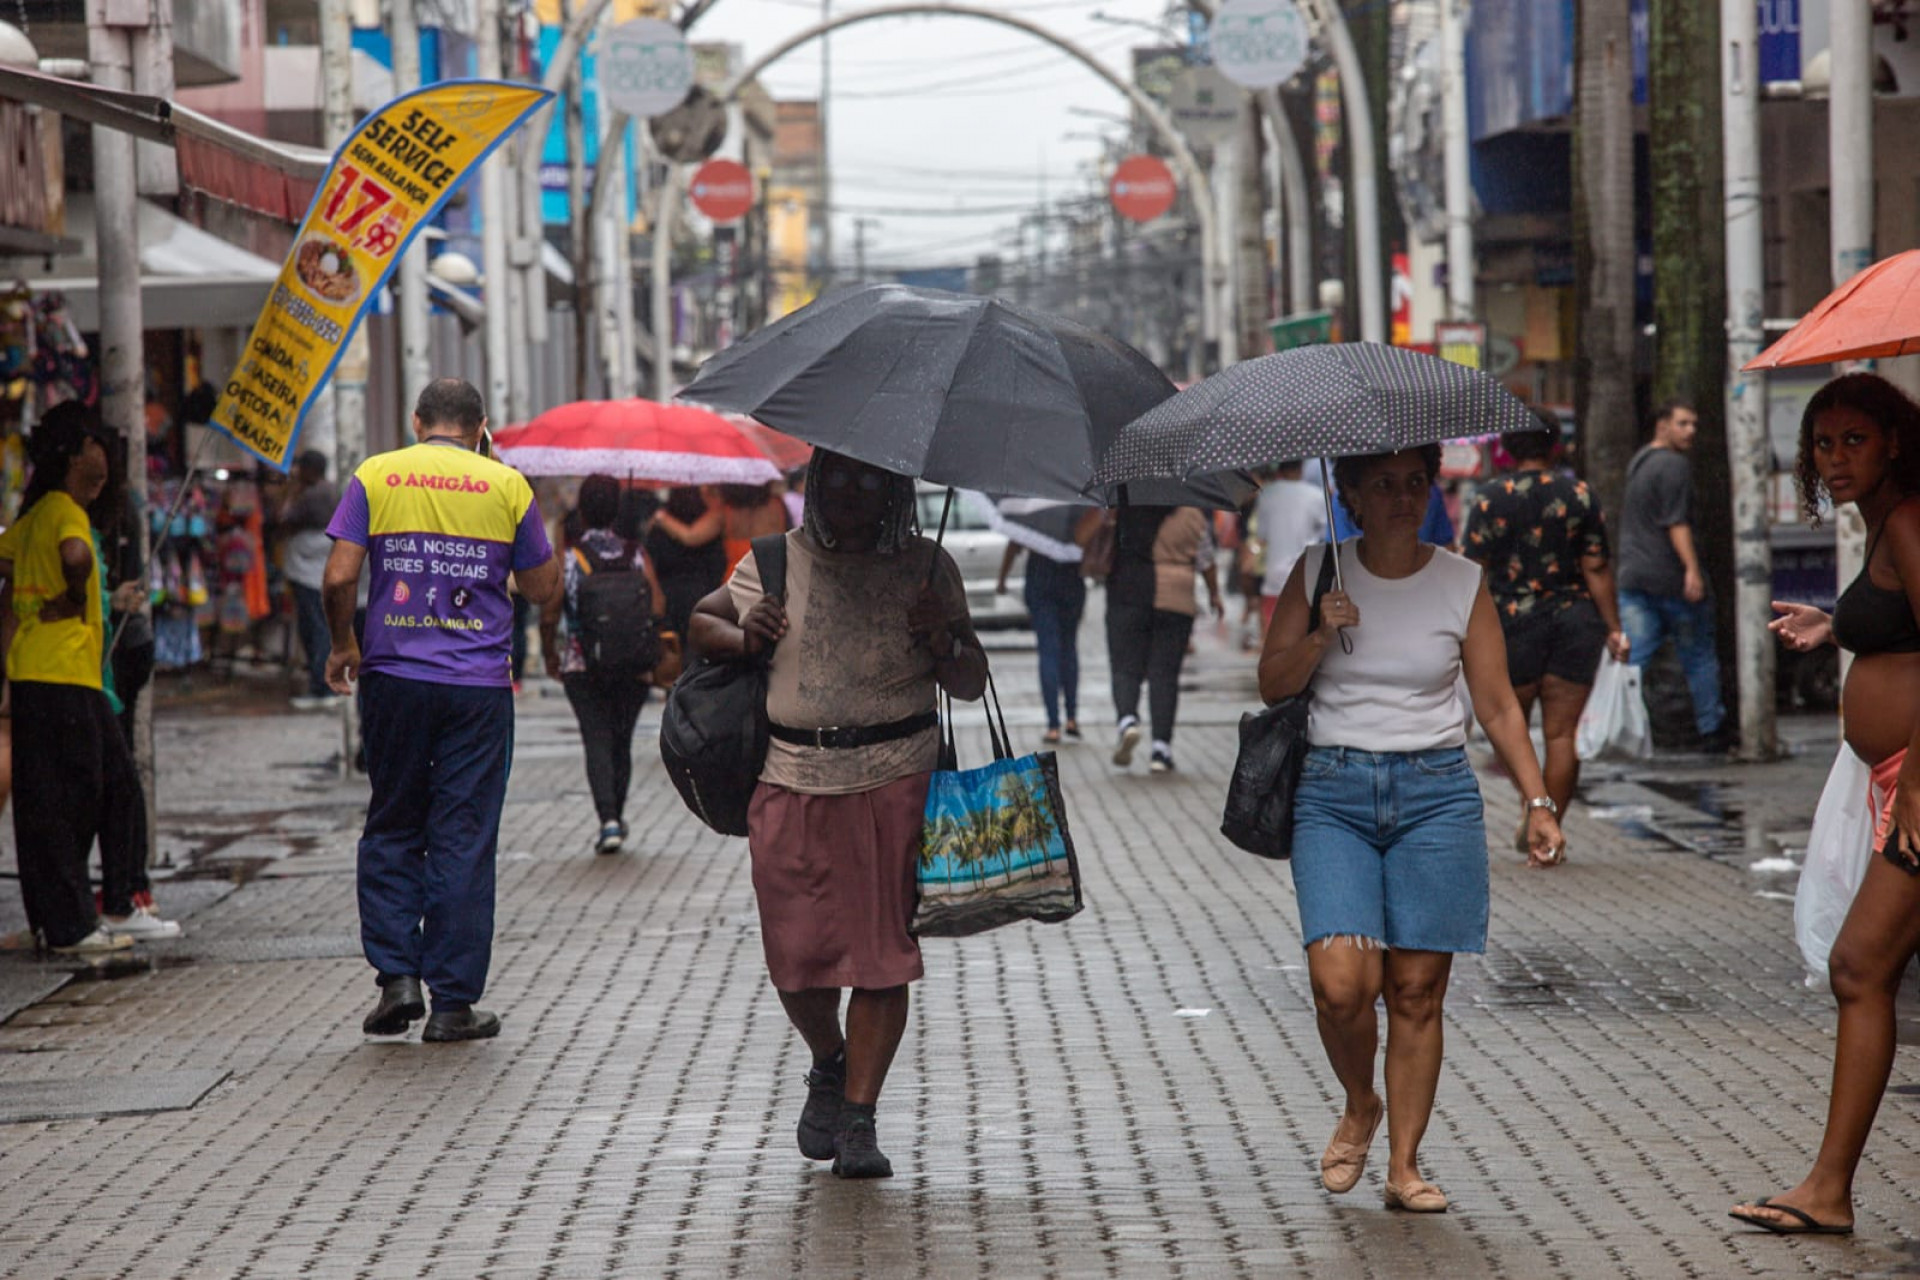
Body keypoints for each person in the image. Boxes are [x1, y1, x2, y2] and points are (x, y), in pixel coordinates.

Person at [1259, 445, 1566, 1214]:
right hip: (1333, 795)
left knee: (1417, 991)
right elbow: (1271, 682)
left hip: (1436, 796)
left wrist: (1537, 802)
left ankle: (1403, 1165)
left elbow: (1496, 705)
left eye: (1415, 484)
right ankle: (1361, 1102)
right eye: (1384, 485)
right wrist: (1320, 634)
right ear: (1352, 497)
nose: (1403, 498)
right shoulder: (1315, 571)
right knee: (1342, 987)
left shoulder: (1461, 581)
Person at [689, 449, 985, 1180]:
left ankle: (858, 1119)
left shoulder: (930, 566)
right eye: (838, 479)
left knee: (883, 958)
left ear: (894, 491)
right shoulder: (772, 559)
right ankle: (829, 1057)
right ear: (816, 487)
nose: (852, 493)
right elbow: (701, 624)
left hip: (898, 781)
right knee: (797, 962)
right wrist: (744, 633)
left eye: (870, 480)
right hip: (790, 778)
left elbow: (972, 681)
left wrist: (942, 634)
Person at [1731, 374, 1920, 1237]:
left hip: (1918, 789)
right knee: (1863, 970)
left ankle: (1829, 1189)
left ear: (1893, 443)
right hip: (1901, 784)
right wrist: (1837, 626)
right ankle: (1827, 1187)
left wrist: (1916, 783)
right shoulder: (1885, 522)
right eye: (1822, 443)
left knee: (1859, 967)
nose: (1833, 458)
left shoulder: (1910, 519)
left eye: (1853, 441)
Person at [322, 378, 560, 1043]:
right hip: (478, 689)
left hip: (394, 679)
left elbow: (340, 576)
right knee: (462, 834)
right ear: (481, 425)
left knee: (395, 821)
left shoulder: (377, 474)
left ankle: (398, 979)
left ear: (416, 419)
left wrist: (344, 643)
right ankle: (453, 1006)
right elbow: (543, 588)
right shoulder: (507, 486)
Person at [0, 404, 177, 952]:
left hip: (46, 672)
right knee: (85, 796)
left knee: (68, 798)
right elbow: (75, 555)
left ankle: (78, 913)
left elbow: (8, 576)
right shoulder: (65, 512)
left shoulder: (34, 516)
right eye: (95, 447)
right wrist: (76, 595)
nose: (104, 461)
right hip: (63, 674)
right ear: (74, 454)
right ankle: (79, 919)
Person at [1462, 421, 1630, 828]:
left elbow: (1471, 571)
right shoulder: (1579, 494)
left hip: (1509, 626)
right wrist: (1613, 627)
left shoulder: (1488, 500)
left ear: (1507, 448)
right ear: (1554, 446)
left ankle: (1534, 808)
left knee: (1506, 728)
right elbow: (1596, 565)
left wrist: (1463, 630)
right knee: (1561, 735)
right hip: (1574, 622)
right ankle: (1550, 823)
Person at [540, 474, 666, 854]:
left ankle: (607, 820)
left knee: (595, 738)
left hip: (583, 664)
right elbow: (658, 605)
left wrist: (550, 654)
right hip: (634, 664)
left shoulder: (570, 557)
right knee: (621, 741)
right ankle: (618, 814)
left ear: (582, 509)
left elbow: (548, 614)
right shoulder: (637, 554)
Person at [1616, 401, 1730, 752]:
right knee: (1697, 656)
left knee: (1634, 661)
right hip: (1671, 579)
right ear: (1662, 425)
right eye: (1682, 423)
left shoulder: (1640, 462)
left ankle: (1623, 726)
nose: (1690, 431)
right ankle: (1712, 731)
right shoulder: (1674, 466)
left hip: (1635, 577)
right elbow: (1675, 523)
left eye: (1693, 424)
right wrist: (1692, 570)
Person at [1106, 504, 1222, 774]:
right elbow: (1205, 559)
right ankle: (1161, 749)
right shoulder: (1193, 513)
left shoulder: (1127, 505)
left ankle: (1127, 721)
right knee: (1165, 675)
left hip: (1129, 595)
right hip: (1177, 600)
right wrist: (1214, 593)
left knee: (1125, 667)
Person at [996, 523, 1087, 744]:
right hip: (1071, 575)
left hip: (1040, 576)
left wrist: (1002, 579)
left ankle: (1053, 724)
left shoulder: (1034, 505)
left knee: (1048, 650)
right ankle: (1072, 717)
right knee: (1069, 648)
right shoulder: (1076, 505)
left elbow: (1015, 542)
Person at [276, 449, 339, 709]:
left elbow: (283, 521)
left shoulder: (313, 495)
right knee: (320, 626)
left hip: (309, 569)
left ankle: (321, 686)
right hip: (318, 567)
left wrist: (291, 492)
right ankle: (322, 683)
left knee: (315, 628)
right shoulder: (333, 491)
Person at [1255, 462, 1329, 633]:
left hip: (1274, 570)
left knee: (1273, 630)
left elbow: (1262, 535)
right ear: (1301, 469)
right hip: (1306, 570)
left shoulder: (1266, 494)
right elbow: (1323, 532)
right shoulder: (1316, 495)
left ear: (1280, 470)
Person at [647, 485, 729, 639]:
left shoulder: (661, 521)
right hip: (704, 594)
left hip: (670, 597)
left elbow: (654, 557)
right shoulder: (709, 519)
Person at [716, 482, 791, 573]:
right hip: (773, 571)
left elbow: (697, 536)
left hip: (738, 574)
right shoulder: (776, 505)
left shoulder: (726, 511)